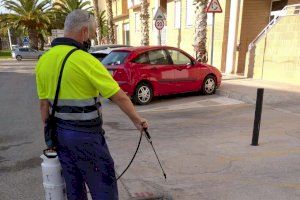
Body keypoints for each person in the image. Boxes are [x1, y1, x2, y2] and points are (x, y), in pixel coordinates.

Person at [35, 9, 148, 200]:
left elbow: (43, 105)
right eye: (94, 33)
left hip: (61, 135)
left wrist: (49, 138)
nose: (93, 38)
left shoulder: (43, 61)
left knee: (74, 186)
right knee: (103, 185)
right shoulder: (86, 60)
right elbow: (118, 96)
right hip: (86, 137)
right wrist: (138, 120)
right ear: (84, 31)